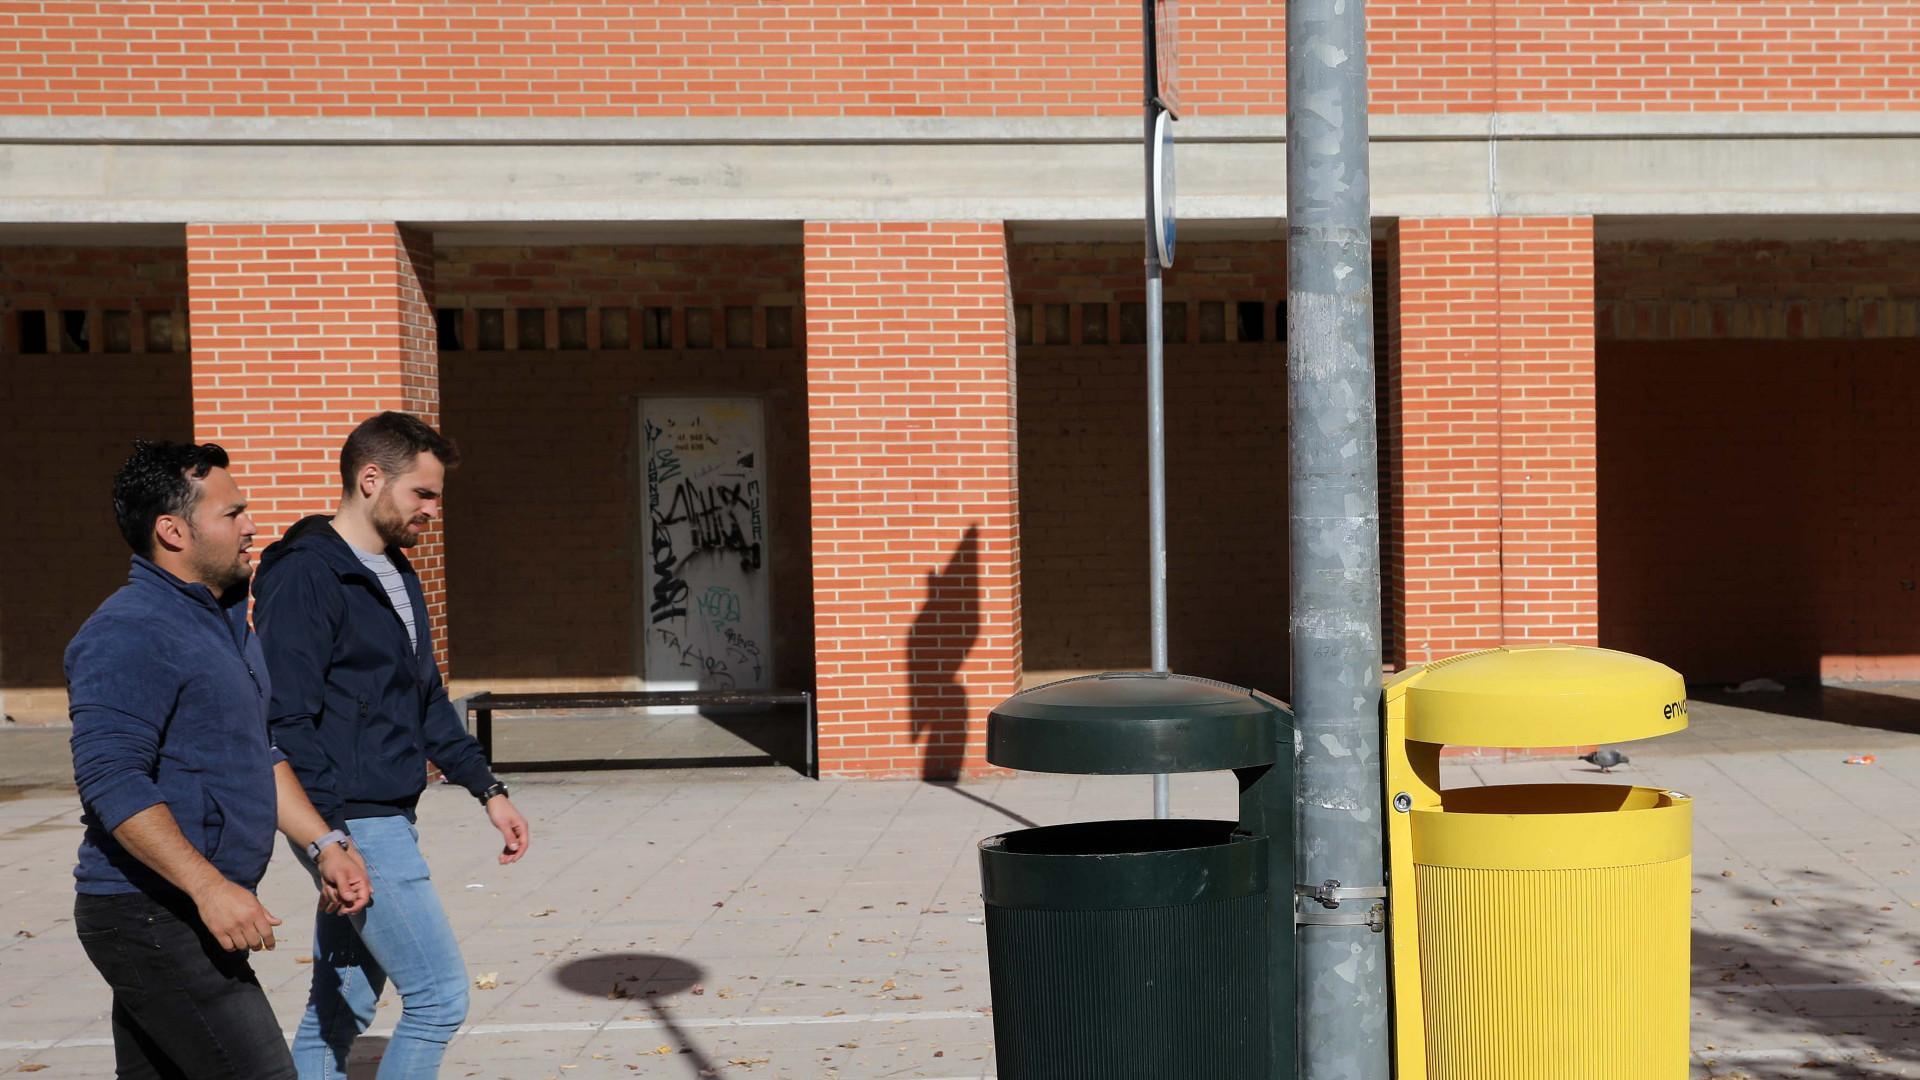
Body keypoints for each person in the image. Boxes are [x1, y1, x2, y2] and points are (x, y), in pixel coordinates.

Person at [68, 440, 372, 1080]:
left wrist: (325, 844)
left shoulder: (225, 624)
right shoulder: (129, 631)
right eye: (232, 513)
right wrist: (210, 888)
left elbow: (258, 752)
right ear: (172, 531)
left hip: (183, 908)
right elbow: (111, 779)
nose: (252, 526)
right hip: (148, 912)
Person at [255, 411, 531, 1079]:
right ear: (370, 478)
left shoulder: (397, 574)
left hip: (383, 813)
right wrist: (329, 840)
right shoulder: (306, 574)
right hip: (352, 820)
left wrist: (487, 789)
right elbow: (285, 720)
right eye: (423, 494)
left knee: (341, 1004)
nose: (433, 511)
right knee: (438, 999)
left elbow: (425, 698)